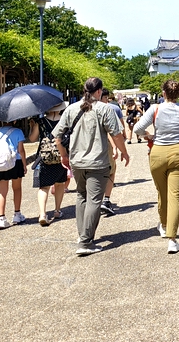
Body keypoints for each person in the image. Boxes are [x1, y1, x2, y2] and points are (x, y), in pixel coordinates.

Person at [53, 77, 130, 256]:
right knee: (95, 199)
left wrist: (64, 155)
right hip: (98, 161)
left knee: (81, 196)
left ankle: (83, 236)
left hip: (77, 161)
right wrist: (124, 152)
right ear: (99, 92)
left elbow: (57, 137)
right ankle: (86, 242)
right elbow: (116, 134)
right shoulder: (105, 109)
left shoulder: (71, 109)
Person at [133, 79, 179, 254]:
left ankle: (163, 225)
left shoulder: (155, 108)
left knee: (162, 192)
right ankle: (172, 238)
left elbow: (137, 128)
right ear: (178, 94)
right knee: (175, 195)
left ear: (163, 93)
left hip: (158, 152)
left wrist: (149, 135)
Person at [27, 102, 68, 226]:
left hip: (44, 157)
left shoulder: (41, 122)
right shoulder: (65, 121)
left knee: (44, 187)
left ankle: (43, 214)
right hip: (61, 155)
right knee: (60, 184)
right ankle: (57, 210)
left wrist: (32, 126)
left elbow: (32, 139)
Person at [0, 121, 27, 229]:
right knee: (17, 188)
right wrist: (24, 164)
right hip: (16, 162)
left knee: (2, 191)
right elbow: (21, 150)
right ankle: (17, 214)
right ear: (14, 120)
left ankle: (1, 218)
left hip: (0, 164)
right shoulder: (18, 132)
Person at [99, 88, 125, 216]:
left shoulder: (81, 109)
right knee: (111, 172)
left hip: (85, 149)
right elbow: (113, 133)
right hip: (105, 146)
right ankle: (106, 200)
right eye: (105, 98)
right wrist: (118, 148)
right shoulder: (108, 109)